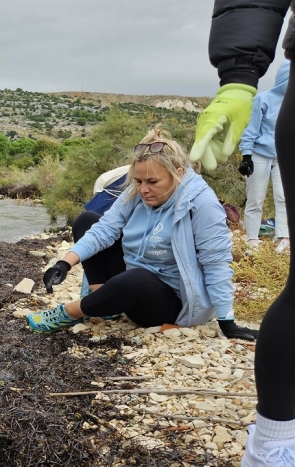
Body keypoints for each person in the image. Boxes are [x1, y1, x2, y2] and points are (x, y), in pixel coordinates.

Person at [27, 125, 258, 341]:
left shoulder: (201, 203)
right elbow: (104, 230)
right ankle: (104, 307)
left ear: (177, 173)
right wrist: (63, 264)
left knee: (135, 279)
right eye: (138, 181)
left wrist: (228, 322)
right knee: (87, 220)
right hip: (131, 278)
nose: (143, 189)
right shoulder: (136, 192)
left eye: (152, 182)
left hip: (172, 302)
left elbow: (216, 262)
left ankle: (70, 311)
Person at [190, 3, 295, 465]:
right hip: (267, 149)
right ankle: (274, 443)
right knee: (257, 204)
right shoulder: (275, 97)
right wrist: (239, 75)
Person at [239, 60, 290, 253]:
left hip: (283, 157)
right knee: (255, 198)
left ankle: (284, 237)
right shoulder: (263, 99)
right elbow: (250, 130)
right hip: (260, 154)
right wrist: (246, 155)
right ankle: (251, 239)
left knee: (284, 197)